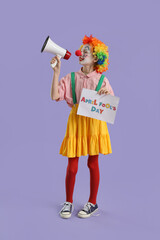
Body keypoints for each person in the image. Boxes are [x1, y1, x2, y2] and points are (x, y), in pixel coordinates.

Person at [50, 35, 115, 219]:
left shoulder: (103, 80)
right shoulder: (71, 78)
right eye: (81, 50)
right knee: (72, 167)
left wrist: (104, 95)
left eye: (86, 51)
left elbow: (110, 105)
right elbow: (55, 96)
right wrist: (56, 72)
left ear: (96, 58)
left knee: (92, 163)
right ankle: (68, 202)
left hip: (94, 123)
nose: (81, 52)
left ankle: (92, 202)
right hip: (77, 122)